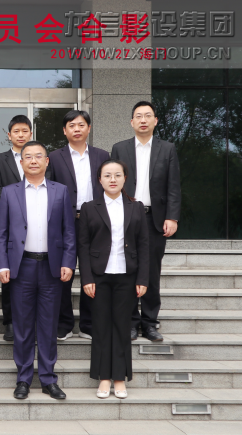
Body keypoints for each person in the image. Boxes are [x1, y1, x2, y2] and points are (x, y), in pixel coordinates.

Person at [0, 141, 76, 400]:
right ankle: (23, 378)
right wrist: (2, 264)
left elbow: (69, 231)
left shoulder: (60, 191)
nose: (33, 160)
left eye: (38, 156)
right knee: (22, 326)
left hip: (52, 267)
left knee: (48, 325)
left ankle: (48, 379)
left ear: (46, 161)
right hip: (22, 267)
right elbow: (1, 232)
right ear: (21, 162)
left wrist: (68, 262)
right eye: (27, 157)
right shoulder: (9, 192)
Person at [78, 159, 149, 399]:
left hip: (127, 275)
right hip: (99, 276)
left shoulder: (136, 207)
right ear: (99, 179)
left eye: (117, 175)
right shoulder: (89, 207)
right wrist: (86, 278)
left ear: (124, 178)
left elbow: (144, 245)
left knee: (121, 326)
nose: (112, 179)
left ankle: (119, 378)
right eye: (107, 175)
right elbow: (83, 246)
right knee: (100, 326)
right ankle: (103, 378)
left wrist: (143, 279)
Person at [111, 101, 181, 342]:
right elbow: (112, 184)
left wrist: (172, 216)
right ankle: (131, 321)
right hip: (126, 217)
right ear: (131, 122)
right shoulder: (119, 148)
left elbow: (173, 186)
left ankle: (150, 323)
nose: (143, 120)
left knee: (151, 272)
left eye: (147, 116)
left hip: (154, 218)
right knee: (128, 270)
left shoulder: (167, 149)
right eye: (138, 116)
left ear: (155, 121)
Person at [47, 110, 110, 341]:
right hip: (64, 221)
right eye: (72, 125)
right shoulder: (54, 157)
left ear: (89, 128)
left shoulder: (102, 155)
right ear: (64, 130)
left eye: (81, 125)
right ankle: (63, 324)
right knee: (62, 272)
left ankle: (88, 324)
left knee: (93, 271)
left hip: (94, 220)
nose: (77, 129)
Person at [0, 114, 33, 341]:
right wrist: (19, 205)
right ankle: (10, 323)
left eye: (25, 131)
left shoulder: (40, 156)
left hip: (37, 223)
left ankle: (32, 322)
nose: (21, 135)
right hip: (9, 223)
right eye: (16, 131)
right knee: (9, 275)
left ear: (31, 133)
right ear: (9, 135)